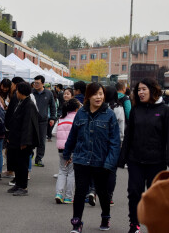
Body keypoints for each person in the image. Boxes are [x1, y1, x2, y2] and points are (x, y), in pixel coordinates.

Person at [118, 78, 169, 233]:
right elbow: (129, 135)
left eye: (144, 89)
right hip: (135, 160)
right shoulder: (136, 110)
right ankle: (134, 224)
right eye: (138, 90)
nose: (141, 92)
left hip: (156, 162)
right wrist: (121, 158)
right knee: (134, 192)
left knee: (154, 197)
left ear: (153, 90)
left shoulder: (164, 110)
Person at [63, 82, 121, 232]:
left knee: (102, 192)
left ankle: (105, 217)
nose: (98, 97)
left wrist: (110, 163)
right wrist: (67, 153)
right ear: (88, 96)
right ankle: (77, 222)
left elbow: (115, 142)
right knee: (80, 191)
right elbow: (73, 135)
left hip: (101, 161)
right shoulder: (81, 113)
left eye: (101, 94)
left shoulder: (109, 115)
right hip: (82, 159)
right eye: (95, 94)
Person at [6, 82, 39, 196]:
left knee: (23, 164)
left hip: (24, 141)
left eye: (17, 91)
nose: (16, 93)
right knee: (17, 163)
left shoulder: (29, 104)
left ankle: (23, 186)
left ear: (21, 92)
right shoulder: (22, 102)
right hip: (16, 139)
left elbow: (28, 125)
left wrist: (25, 141)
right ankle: (18, 184)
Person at [53, 98, 80, 204]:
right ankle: (69, 197)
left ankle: (59, 194)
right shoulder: (77, 118)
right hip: (74, 149)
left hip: (61, 149)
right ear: (77, 108)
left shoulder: (61, 118)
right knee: (71, 173)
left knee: (62, 172)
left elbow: (54, 132)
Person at [105, 86, 125, 206]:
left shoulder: (101, 107)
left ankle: (95, 192)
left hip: (101, 141)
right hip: (114, 142)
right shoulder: (119, 108)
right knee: (112, 170)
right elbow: (121, 126)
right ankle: (109, 195)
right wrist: (121, 141)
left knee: (99, 167)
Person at [3, 77, 25, 179]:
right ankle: (11, 171)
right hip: (14, 128)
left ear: (15, 84)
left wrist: (8, 126)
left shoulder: (18, 96)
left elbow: (13, 113)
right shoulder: (19, 96)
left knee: (14, 152)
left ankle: (15, 175)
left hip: (14, 129)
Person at [32, 75, 56, 167]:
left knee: (41, 140)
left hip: (43, 121)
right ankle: (31, 155)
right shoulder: (31, 92)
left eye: (37, 83)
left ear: (43, 84)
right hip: (31, 120)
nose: (36, 85)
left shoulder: (48, 93)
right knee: (30, 139)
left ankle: (39, 159)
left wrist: (53, 118)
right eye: (35, 83)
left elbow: (53, 106)